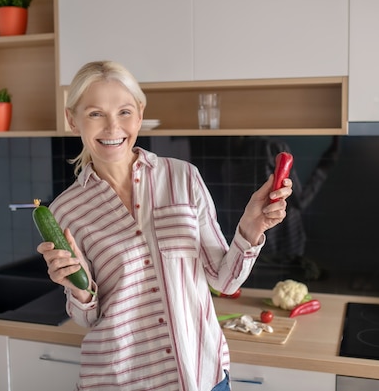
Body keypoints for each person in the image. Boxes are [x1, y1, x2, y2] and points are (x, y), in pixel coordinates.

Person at [37, 60, 293, 391]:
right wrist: (76, 286)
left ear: (140, 114)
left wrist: (251, 226)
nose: (113, 127)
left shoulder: (183, 177)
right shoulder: (64, 210)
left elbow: (224, 280)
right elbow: (88, 317)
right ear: (73, 120)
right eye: (95, 113)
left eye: (124, 111)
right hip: (122, 381)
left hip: (203, 376)